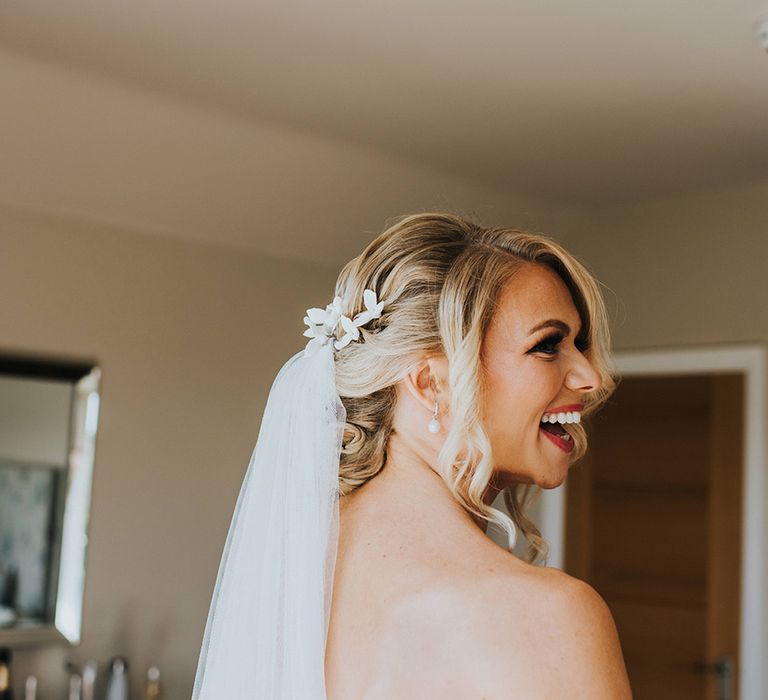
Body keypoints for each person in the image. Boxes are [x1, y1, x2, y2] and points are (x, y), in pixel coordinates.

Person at [192, 212, 633, 699]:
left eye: (580, 344)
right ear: (431, 383)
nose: (590, 377)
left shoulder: (287, 574)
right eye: (548, 345)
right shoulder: (550, 616)